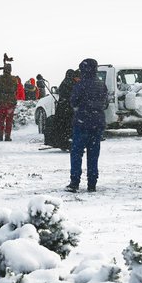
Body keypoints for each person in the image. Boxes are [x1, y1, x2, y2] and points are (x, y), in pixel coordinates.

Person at [66, 58, 108, 193]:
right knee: (93, 154)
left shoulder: (80, 85)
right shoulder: (102, 84)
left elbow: (73, 102)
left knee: (77, 153)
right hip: (97, 124)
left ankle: (75, 182)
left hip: (82, 123)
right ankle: (92, 183)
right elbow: (106, 103)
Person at [45, 69, 77, 149]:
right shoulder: (72, 84)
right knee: (69, 127)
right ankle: (68, 143)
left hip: (62, 108)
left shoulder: (64, 83)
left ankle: (62, 143)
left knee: (62, 127)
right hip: (69, 109)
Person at [0, 63, 20, 141]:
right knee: (9, 120)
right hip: (11, 101)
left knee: (1, 119)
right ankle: (7, 136)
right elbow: (15, 90)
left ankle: (1, 135)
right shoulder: (14, 79)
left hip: (1, 101)